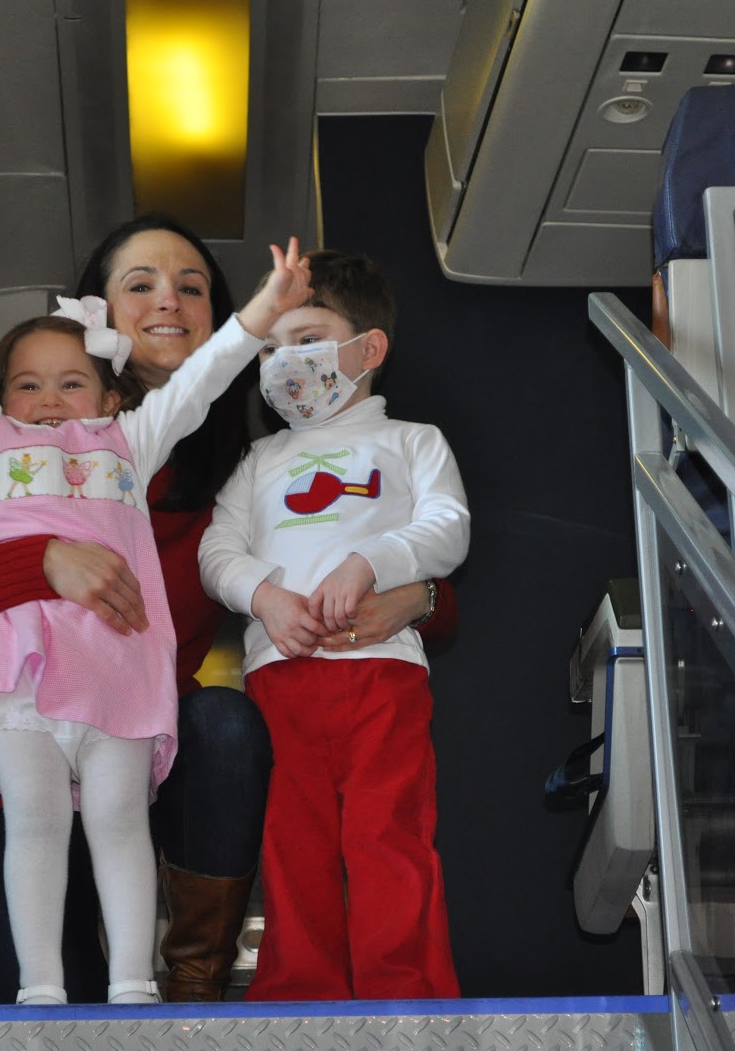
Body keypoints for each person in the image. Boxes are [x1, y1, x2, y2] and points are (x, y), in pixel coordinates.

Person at [0, 211, 458, 1004]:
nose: (169, 300)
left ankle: (195, 973)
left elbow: (401, 580)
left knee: (224, 723)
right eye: (140, 284)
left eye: (192, 286)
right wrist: (41, 561)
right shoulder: (14, 453)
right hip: (21, 767)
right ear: (98, 313)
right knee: (53, 1003)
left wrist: (419, 596)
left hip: (142, 746)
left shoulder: (254, 458)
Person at [198, 250, 468, 1001]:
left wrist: (369, 564)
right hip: (279, 674)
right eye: (270, 348)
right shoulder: (258, 459)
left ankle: (406, 995)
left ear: (368, 349)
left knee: (389, 832)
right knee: (292, 840)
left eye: (307, 338)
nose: (285, 361)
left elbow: (448, 527)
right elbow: (217, 552)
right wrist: (265, 598)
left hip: (383, 670)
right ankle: (298, 994)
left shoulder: (414, 441)